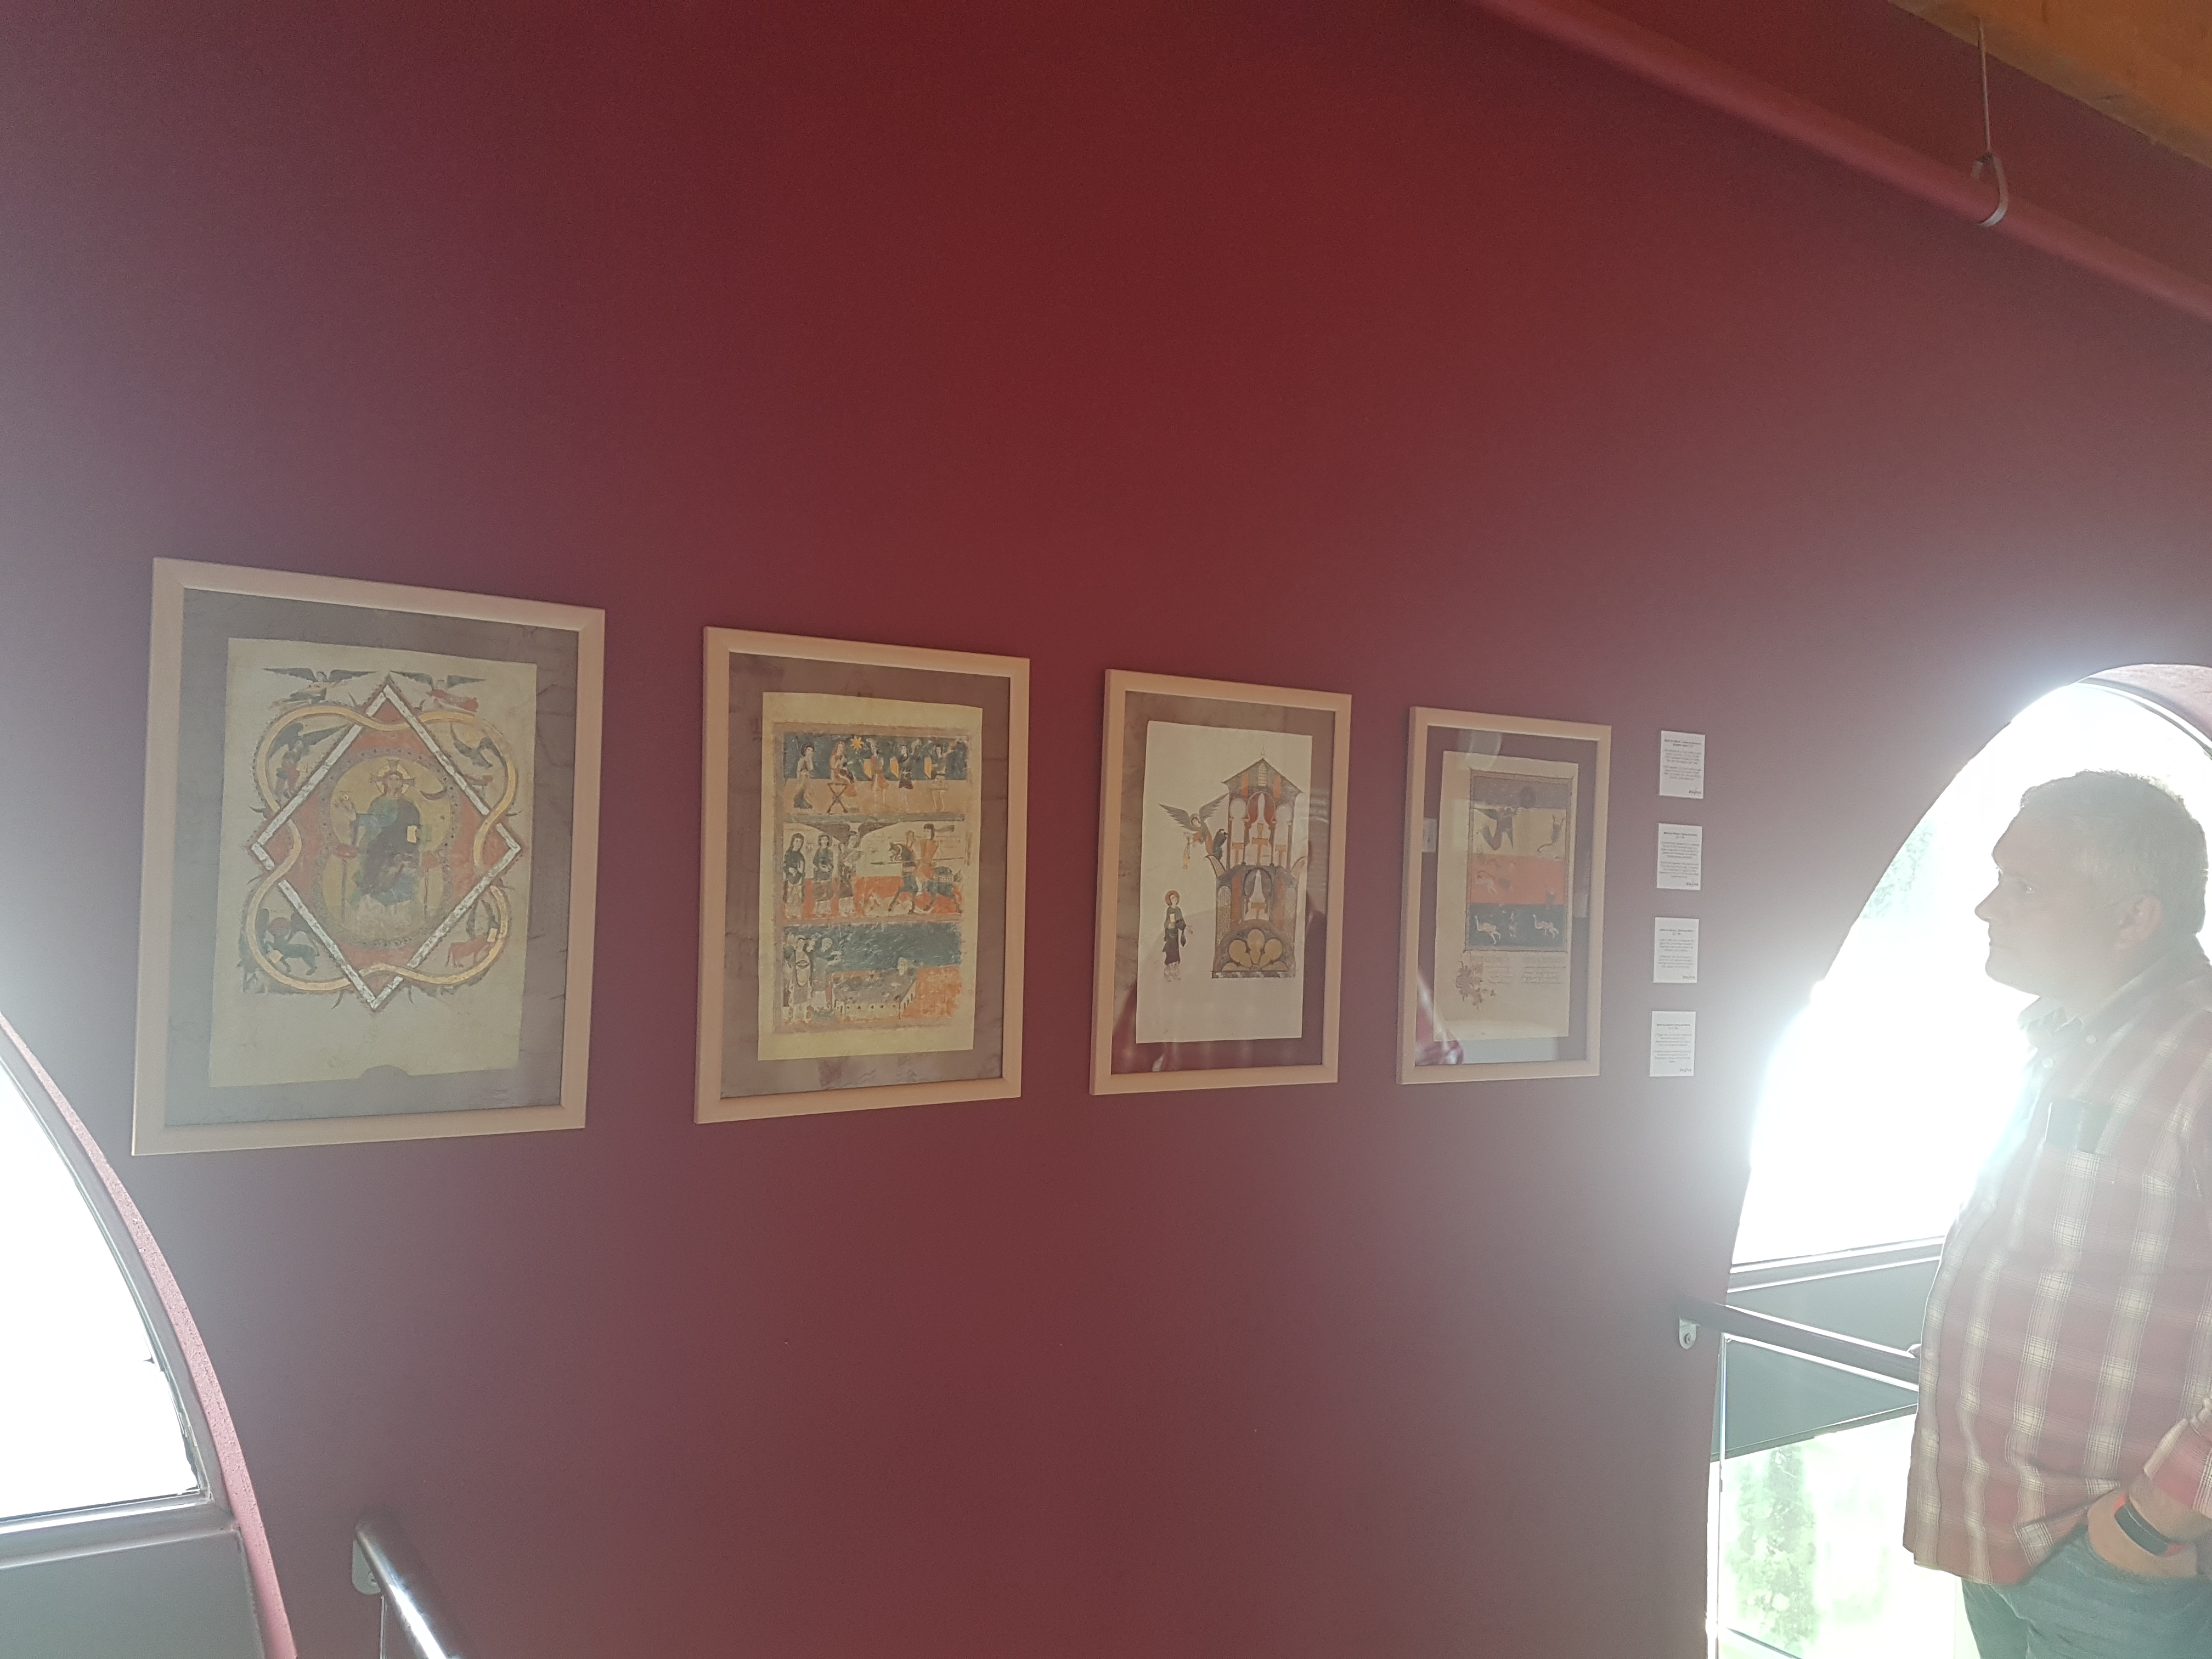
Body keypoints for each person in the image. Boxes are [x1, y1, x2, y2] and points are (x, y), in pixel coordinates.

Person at [1909, 771, 2212, 1658]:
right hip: (2001, 1536)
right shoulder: (2062, 1037)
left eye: (2025, 887)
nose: (1986, 907)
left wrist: (2153, 1522)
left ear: (2134, 919)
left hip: (2124, 1563)